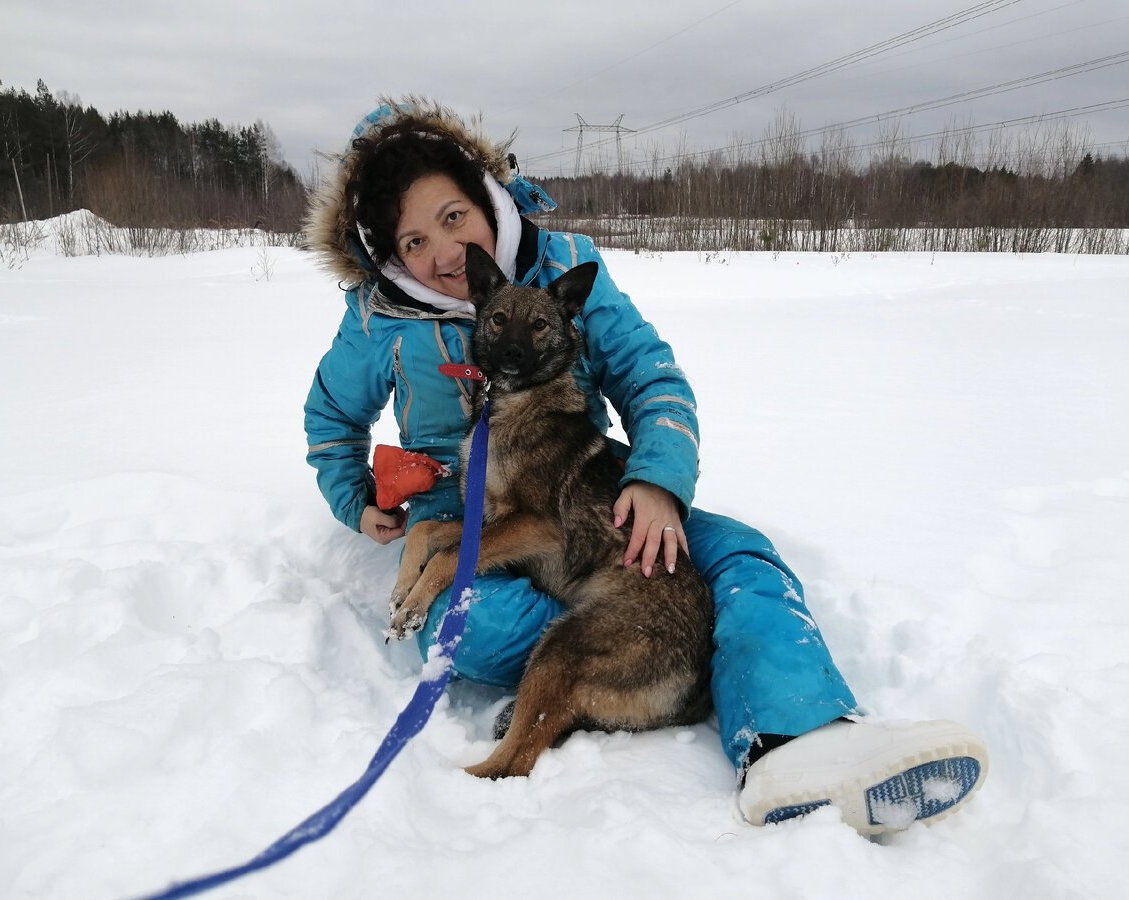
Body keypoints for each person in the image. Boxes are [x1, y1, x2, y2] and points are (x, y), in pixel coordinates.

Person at [303, 97, 987, 835]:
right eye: (410, 242)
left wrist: (658, 479)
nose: (440, 251)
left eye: (452, 217)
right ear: (383, 256)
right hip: (464, 511)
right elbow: (331, 420)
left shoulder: (569, 263)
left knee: (740, 558)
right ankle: (607, 671)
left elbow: (651, 377)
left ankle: (796, 738)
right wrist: (357, 498)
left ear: (487, 200)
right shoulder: (378, 319)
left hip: (601, 491)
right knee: (473, 630)